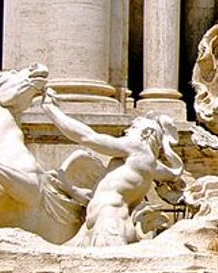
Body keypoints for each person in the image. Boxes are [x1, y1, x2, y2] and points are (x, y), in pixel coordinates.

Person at [42, 90, 183, 247]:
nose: (127, 131)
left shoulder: (137, 147)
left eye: (134, 127)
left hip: (108, 222)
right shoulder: (149, 164)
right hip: (99, 224)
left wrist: (51, 110)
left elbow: (88, 137)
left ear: (146, 133)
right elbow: (172, 174)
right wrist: (70, 189)